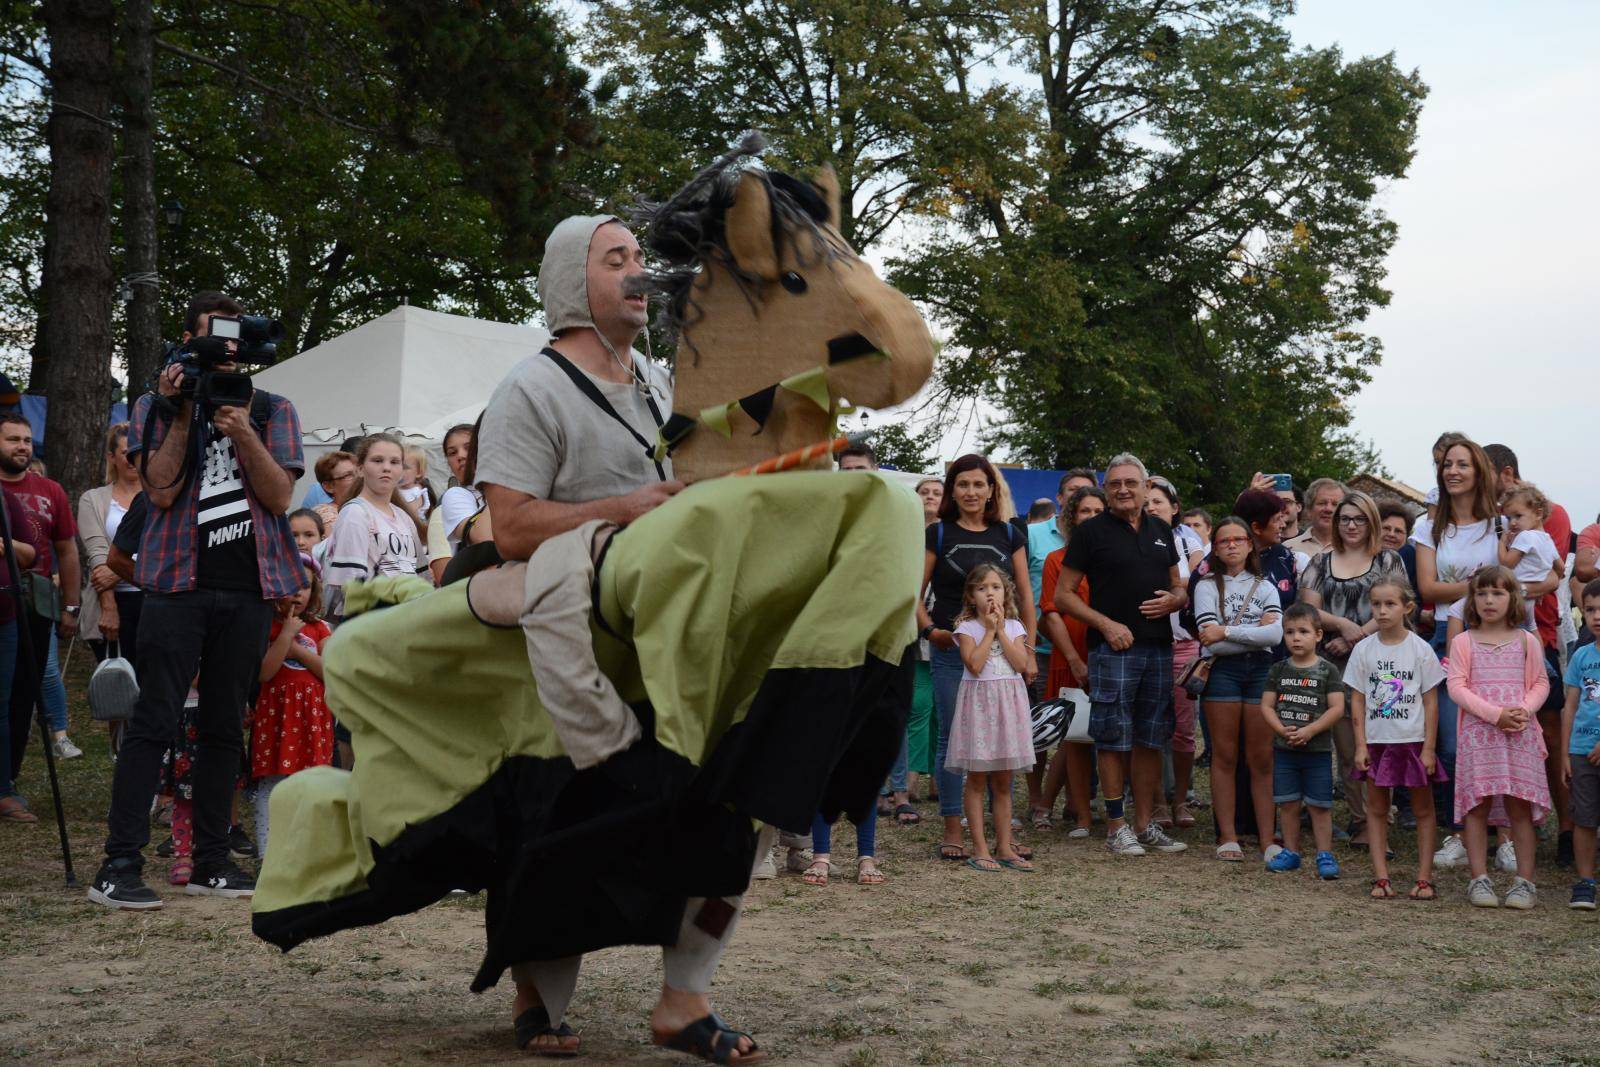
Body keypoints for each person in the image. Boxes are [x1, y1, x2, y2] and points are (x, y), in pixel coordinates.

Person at [90, 290, 304, 911]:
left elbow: (279, 498)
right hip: (175, 587)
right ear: (188, 340)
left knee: (221, 728)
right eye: (212, 337)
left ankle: (212, 860)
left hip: (248, 588)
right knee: (153, 723)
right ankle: (119, 864)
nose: (224, 350)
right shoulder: (156, 405)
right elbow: (156, 492)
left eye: (233, 338)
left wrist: (240, 431)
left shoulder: (271, 407)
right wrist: (182, 412)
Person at [1056, 453, 1188, 857]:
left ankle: (1145, 825)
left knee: (1150, 737)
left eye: (1131, 482)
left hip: (1157, 648)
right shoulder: (1090, 532)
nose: (1123, 490)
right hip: (1112, 650)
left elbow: (1178, 587)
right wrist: (1105, 624)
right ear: (1107, 488)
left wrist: (1175, 600)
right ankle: (1116, 826)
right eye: (1115, 483)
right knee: (1113, 737)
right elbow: (1063, 596)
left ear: (1148, 488)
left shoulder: (1162, 530)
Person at [918, 454, 1036, 862]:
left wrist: (1030, 649)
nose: (971, 492)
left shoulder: (1009, 533)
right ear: (953, 490)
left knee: (1002, 739)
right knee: (954, 736)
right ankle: (955, 828)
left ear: (991, 490)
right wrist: (931, 631)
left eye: (978, 484)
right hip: (956, 651)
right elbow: (913, 596)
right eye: (963, 484)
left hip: (1006, 652)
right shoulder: (938, 534)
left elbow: (1023, 594)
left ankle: (1002, 837)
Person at [1297, 492, 1411, 844]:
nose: (1350, 525)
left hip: (1383, 664)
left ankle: (1381, 813)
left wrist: (1354, 635)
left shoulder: (1388, 559)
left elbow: (1399, 603)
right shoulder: (1321, 560)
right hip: (1333, 666)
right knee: (1348, 747)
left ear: (1371, 521)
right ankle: (1361, 819)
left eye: (1358, 518)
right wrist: (1345, 629)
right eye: (1344, 518)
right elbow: (1308, 608)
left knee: (1380, 741)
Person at [1413, 435, 1501, 865]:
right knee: (1450, 742)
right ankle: (1460, 833)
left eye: (1463, 464)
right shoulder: (1427, 527)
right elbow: (1428, 588)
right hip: (1449, 638)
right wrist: (1487, 586)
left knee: (1498, 738)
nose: (1453, 471)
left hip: (1500, 639)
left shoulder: (1500, 525)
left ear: (1478, 470)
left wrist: (1486, 592)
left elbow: (1518, 589)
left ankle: (1502, 837)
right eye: (1448, 464)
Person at [1447, 567, 1549, 910]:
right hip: (1479, 737)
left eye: (1498, 593)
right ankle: (1479, 879)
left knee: (1519, 807)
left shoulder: (1526, 641)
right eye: (1482, 593)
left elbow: (1540, 683)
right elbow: (1456, 686)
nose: (1489, 600)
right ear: (1472, 599)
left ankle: (1525, 882)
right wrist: (1494, 715)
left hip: (1520, 735)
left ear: (1513, 599)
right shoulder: (1463, 641)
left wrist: (1522, 710)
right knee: (1477, 807)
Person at [1346, 578, 1445, 901]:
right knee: (1376, 808)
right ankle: (1381, 877)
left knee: (1423, 809)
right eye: (1376, 604)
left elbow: (1431, 701)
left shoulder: (1420, 649)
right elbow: (1357, 700)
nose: (1383, 610)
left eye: (1390, 604)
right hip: (1377, 741)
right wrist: (1360, 744)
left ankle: (1423, 878)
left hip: (1414, 741)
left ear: (1407, 607)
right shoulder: (1364, 649)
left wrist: (1429, 748)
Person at [0, 413, 81, 800]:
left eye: (27, 440)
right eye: (13, 439)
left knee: (23, 691)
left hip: (35, 602)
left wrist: (71, 606)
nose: (22, 447)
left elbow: (67, 550)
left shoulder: (50, 490)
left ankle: (8, 777)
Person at [1194, 516, 1283, 862]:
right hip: (1223, 674)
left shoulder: (1265, 586)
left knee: (1261, 758)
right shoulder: (1205, 586)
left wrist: (1227, 631)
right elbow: (1209, 642)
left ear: (1249, 544)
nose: (1231, 545)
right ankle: (1227, 835)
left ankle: (1266, 838)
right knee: (1225, 755)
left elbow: (1275, 638)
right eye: (1223, 540)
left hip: (1261, 672)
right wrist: (1250, 633)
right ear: (1214, 548)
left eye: (1238, 539)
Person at [948, 564, 1036, 872]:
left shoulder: (1014, 626)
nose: (990, 593)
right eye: (983, 588)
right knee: (976, 778)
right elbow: (974, 664)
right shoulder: (966, 627)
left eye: (996, 587)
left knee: (1003, 780)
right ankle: (979, 847)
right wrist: (988, 630)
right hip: (980, 706)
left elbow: (1021, 662)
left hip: (1008, 705)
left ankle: (1004, 845)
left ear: (1005, 592)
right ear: (971, 596)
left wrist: (1000, 629)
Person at [249, 557, 331, 854]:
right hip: (278, 718)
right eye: (291, 583)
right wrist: (285, 635)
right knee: (273, 784)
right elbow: (264, 673)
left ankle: (307, 855)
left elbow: (329, 672)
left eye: (305, 585)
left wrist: (296, 647)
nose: (298, 592)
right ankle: (268, 854)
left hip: (312, 718)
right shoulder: (266, 626)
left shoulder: (320, 628)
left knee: (311, 786)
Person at [1260, 602, 1345, 878]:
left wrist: (1310, 731)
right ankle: (1291, 852)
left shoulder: (1328, 670)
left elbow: (1336, 708)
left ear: (1318, 635)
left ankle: (1324, 854)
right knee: (1288, 803)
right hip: (1285, 750)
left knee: (1320, 805)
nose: (1296, 638)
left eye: (1303, 632)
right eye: (1289, 632)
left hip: (1317, 751)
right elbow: (1266, 706)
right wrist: (1281, 730)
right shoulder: (1278, 670)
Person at [1037, 485, 1104, 836]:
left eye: (1097, 511)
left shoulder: (1114, 557)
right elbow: (1050, 612)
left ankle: (1108, 809)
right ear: (1071, 517)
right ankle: (1080, 815)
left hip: (1109, 654)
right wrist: (1076, 660)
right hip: (1070, 656)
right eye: (1084, 511)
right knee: (1073, 737)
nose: (1091, 518)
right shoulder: (1056, 560)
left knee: (1110, 735)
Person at [78, 423, 145, 753]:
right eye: (125, 452)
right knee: (118, 691)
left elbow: (163, 552)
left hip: (154, 600)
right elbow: (97, 555)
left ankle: (159, 773)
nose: (133, 458)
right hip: (112, 608)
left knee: (153, 690)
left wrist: (117, 570)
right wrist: (109, 605)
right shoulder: (93, 499)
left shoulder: (161, 495)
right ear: (112, 457)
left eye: (138, 451)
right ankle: (125, 765)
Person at [1144, 476, 1201, 828]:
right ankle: (1156, 802)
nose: (1150, 507)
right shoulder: (1133, 538)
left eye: (1158, 502)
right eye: (1146, 502)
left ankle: (1180, 800)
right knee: (1151, 728)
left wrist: (1176, 588)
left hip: (1184, 645)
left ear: (1174, 507)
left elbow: (1193, 579)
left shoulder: (1187, 539)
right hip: (1148, 643)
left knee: (1183, 731)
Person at [323, 434, 422, 623]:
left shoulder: (404, 517)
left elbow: (421, 578)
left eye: (394, 462)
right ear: (360, 469)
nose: (386, 467)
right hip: (372, 624)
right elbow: (351, 588)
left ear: (401, 470)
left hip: (407, 621)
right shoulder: (355, 513)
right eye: (377, 460)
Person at [0, 488, 40, 823]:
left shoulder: (4, 497)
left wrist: (6, 545)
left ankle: (2, 790)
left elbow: (31, 554)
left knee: (2, 705)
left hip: (5, 618)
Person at [1560, 579, 1600, 909]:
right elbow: (1570, 706)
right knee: (1584, 819)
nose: (1597, 616)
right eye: (1590, 610)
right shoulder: (1581, 656)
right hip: (1581, 750)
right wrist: (1564, 755)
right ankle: (1585, 881)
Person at [1494, 484, 1563, 623]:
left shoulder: (1525, 536)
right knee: (1530, 630)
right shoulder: (1547, 539)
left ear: (1538, 514)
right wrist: (1542, 584)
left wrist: (1502, 542)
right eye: (1508, 518)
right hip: (1533, 597)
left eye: (1518, 516)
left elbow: (1507, 563)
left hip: (1515, 597)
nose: (1512, 523)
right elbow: (1560, 567)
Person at [1284, 478, 1347, 557]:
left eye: (1335, 504)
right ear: (1309, 510)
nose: (1328, 509)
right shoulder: (1288, 548)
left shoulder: (1356, 548)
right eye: (1322, 503)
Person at [306, 451, 356, 528]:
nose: (358, 478)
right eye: (348, 475)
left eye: (358, 472)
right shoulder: (326, 513)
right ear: (329, 487)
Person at [400, 445, 435, 519]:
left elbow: (410, 512)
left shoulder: (417, 491)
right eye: (396, 464)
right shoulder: (394, 489)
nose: (399, 470)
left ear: (418, 472)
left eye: (404, 467)